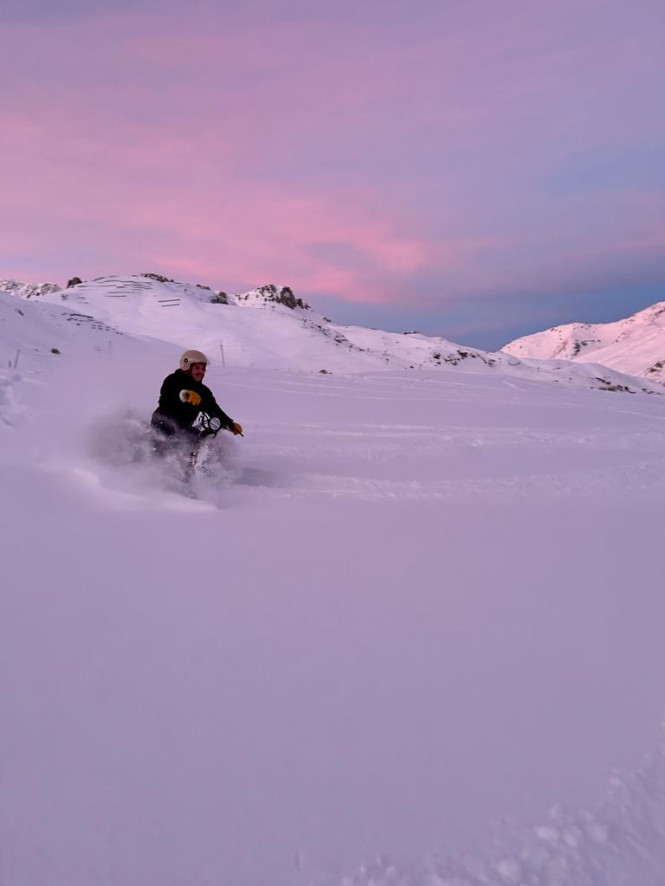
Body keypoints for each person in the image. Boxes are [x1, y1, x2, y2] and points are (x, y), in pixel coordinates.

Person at [151, 350, 243, 450]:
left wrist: (229, 424)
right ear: (187, 367)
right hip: (164, 424)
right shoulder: (173, 380)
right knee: (166, 447)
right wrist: (184, 394)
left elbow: (213, 408)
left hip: (184, 427)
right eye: (197, 368)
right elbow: (172, 391)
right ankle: (155, 461)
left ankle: (198, 462)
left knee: (204, 436)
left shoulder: (203, 391)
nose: (201, 372)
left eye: (203, 369)